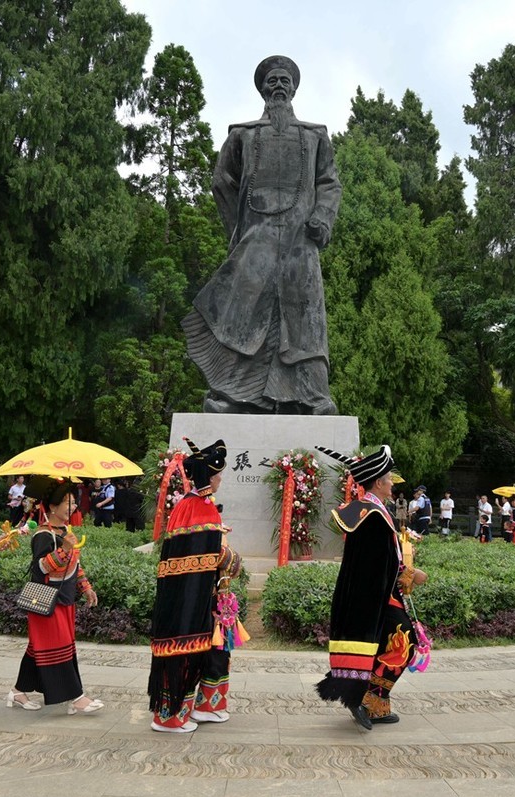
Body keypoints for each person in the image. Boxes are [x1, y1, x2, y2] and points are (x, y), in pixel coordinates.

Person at [182, 55, 342, 415]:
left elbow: (329, 182)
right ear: (263, 89)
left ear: (294, 88)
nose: (279, 86)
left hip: (301, 244)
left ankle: (312, 397)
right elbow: (221, 181)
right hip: (256, 240)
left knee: (303, 319)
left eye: (285, 81)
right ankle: (234, 396)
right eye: (272, 81)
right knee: (245, 317)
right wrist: (238, 230)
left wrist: (322, 218)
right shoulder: (243, 134)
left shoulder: (315, 136)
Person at [315, 444, 426, 728]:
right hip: (376, 596)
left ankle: (375, 703)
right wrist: (410, 573)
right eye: (389, 480)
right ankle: (367, 699)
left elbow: (383, 559)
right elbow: (379, 563)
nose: (392, 485)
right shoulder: (371, 515)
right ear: (378, 482)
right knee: (405, 642)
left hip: (378, 593)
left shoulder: (372, 511)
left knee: (392, 644)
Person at [147, 438, 243, 732]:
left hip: (196, 597)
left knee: (212, 652)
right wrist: (232, 557)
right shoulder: (200, 508)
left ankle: (203, 707)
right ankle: (171, 718)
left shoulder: (190, 505)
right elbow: (214, 556)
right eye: (218, 475)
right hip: (192, 601)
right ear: (208, 477)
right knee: (186, 652)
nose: (221, 479)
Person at [8, 479, 103, 715]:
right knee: (58, 647)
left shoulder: (66, 532)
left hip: (64, 599)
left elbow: (75, 565)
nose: (72, 507)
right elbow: (41, 568)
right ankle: (75, 697)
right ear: (52, 507)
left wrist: (86, 587)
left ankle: (18, 691)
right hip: (47, 601)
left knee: (42, 648)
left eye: (73, 502)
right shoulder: (43, 535)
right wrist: (64, 550)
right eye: (67, 503)